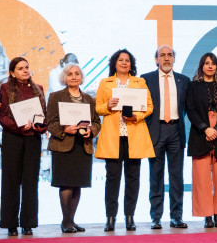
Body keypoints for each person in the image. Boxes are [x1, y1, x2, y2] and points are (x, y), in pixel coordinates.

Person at [95, 49, 154, 231]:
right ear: (114, 63)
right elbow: (97, 108)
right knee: (112, 179)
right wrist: (108, 105)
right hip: (113, 137)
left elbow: (149, 107)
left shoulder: (140, 82)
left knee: (133, 178)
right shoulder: (105, 83)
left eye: (127, 60)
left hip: (134, 135)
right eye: (120, 60)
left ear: (131, 64)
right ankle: (110, 218)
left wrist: (136, 116)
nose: (124, 63)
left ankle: (130, 217)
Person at [47, 64, 101, 233]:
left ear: (81, 77)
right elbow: (50, 122)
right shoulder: (56, 97)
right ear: (64, 77)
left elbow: (97, 122)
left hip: (82, 146)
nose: (74, 76)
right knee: (66, 184)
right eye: (70, 74)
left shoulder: (88, 99)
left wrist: (91, 132)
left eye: (77, 74)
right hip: (63, 145)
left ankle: (71, 220)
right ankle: (65, 221)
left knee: (77, 184)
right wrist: (64, 129)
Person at [141, 46, 190, 229]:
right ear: (156, 60)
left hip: (176, 131)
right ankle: (156, 217)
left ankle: (176, 216)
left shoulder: (183, 80)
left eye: (170, 55)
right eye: (162, 55)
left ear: (174, 59)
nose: (166, 58)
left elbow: (188, 107)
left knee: (177, 177)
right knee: (156, 176)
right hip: (155, 131)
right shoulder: (146, 79)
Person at [186, 53, 217, 228]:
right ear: (201, 66)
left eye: (213, 64)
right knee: (202, 178)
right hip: (200, 132)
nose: (210, 66)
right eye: (206, 63)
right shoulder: (193, 86)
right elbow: (190, 110)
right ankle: (207, 215)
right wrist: (205, 128)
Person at [0, 57, 47, 236]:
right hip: (13, 139)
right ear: (12, 72)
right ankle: (11, 223)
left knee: (30, 182)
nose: (25, 70)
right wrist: (18, 126)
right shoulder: (4, 88)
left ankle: (28, 223)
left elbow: (44, 116)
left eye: (27, 67)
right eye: (20, 68)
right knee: (11, 181)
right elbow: (2, 116)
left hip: (33, 139)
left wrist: (40, 126)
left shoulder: (38, 89)